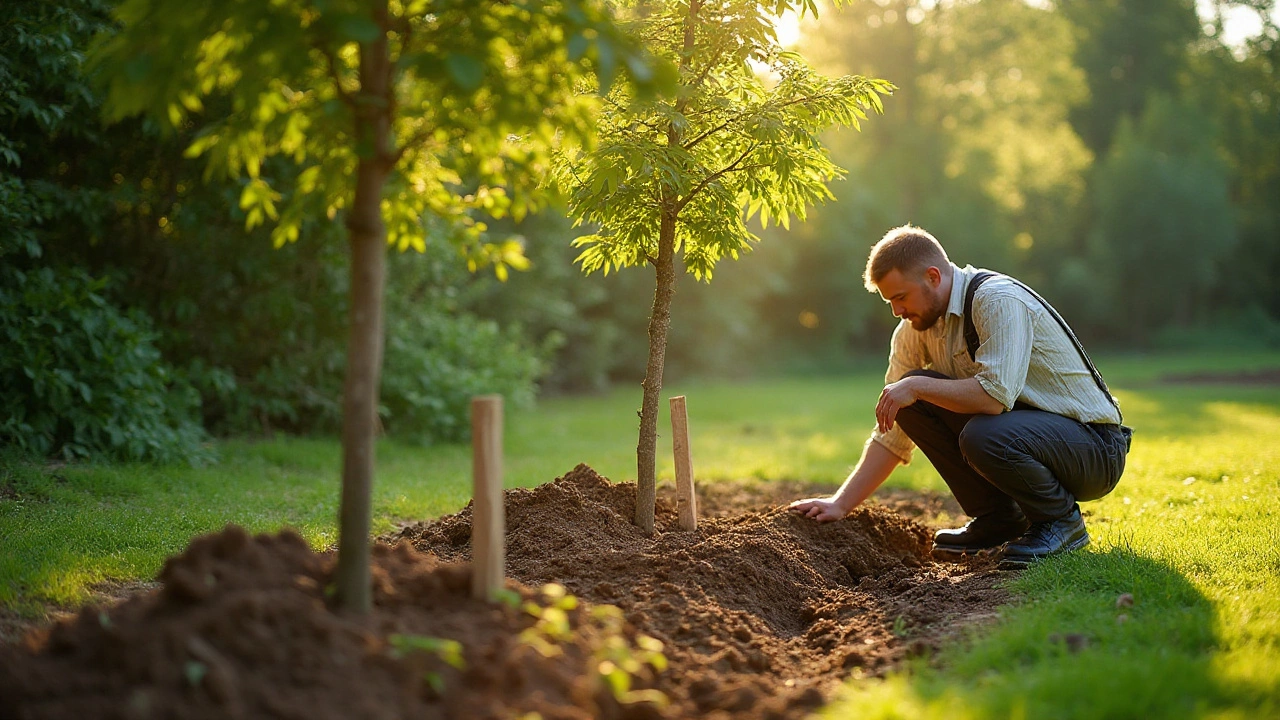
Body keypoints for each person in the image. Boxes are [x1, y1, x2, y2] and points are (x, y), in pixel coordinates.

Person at [789, 225, 1132, 567]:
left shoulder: (997, 300)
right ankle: (1000, 518)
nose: (896, 310)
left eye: (900, 297)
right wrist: (840, 503)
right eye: (890, 301)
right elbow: (892, 429)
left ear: (933, 276)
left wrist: (917, 386)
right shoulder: (914, 330)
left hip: (1095, 449)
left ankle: (1061, 522)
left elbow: (992, 399)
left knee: (971, 426)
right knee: (905, 399)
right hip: (1034, 440)